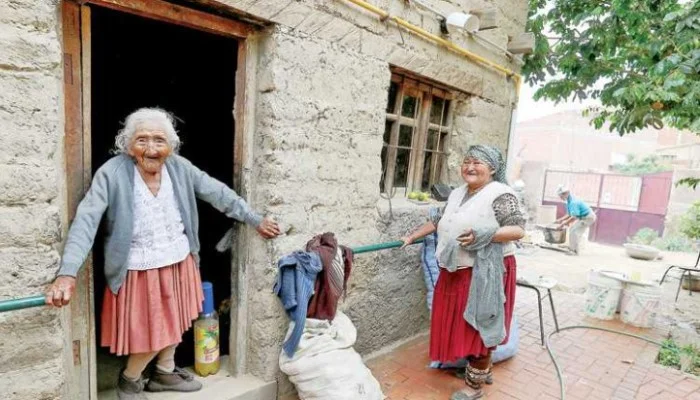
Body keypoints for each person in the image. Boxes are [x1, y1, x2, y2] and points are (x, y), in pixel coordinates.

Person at [44, 108, 280, 399]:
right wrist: (67, 273)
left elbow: (217, 193)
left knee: (178, 319)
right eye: (142, 140)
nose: (151, 148)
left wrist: (254, 219)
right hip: (138, 268)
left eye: (159, 140)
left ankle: (164, 372)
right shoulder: (112, 173)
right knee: (153, 332)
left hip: (180, 260)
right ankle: (129, 380)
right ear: (127, 144)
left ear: (171, 145)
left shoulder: (179, 168)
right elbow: (86, 221)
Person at [402, 145, 525, 400]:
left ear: (492, 168)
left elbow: (517, 230)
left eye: (478, 163)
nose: (470, 167)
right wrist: (412, 236)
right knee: (464, 323)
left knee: (479, 324)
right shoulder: (458, 193)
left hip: (486, 271)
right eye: (467, 161)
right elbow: (438, 220)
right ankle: (481, 369)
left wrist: (485, 234)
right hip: (456, 270)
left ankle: (474, 387)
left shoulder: (501, 194)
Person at [554, 184, 596, 255]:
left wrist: (562, 224)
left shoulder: (573, 202)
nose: (560, 197)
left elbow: (574, 217)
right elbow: (569, 214)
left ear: (566, 193)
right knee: (572, 228)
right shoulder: (568, 201)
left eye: (561, 196)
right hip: (582, 216)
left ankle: (574, 251)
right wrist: (560, 220)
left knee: (575, 231)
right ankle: (571, 246)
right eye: (560, 196)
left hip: (588, 217)